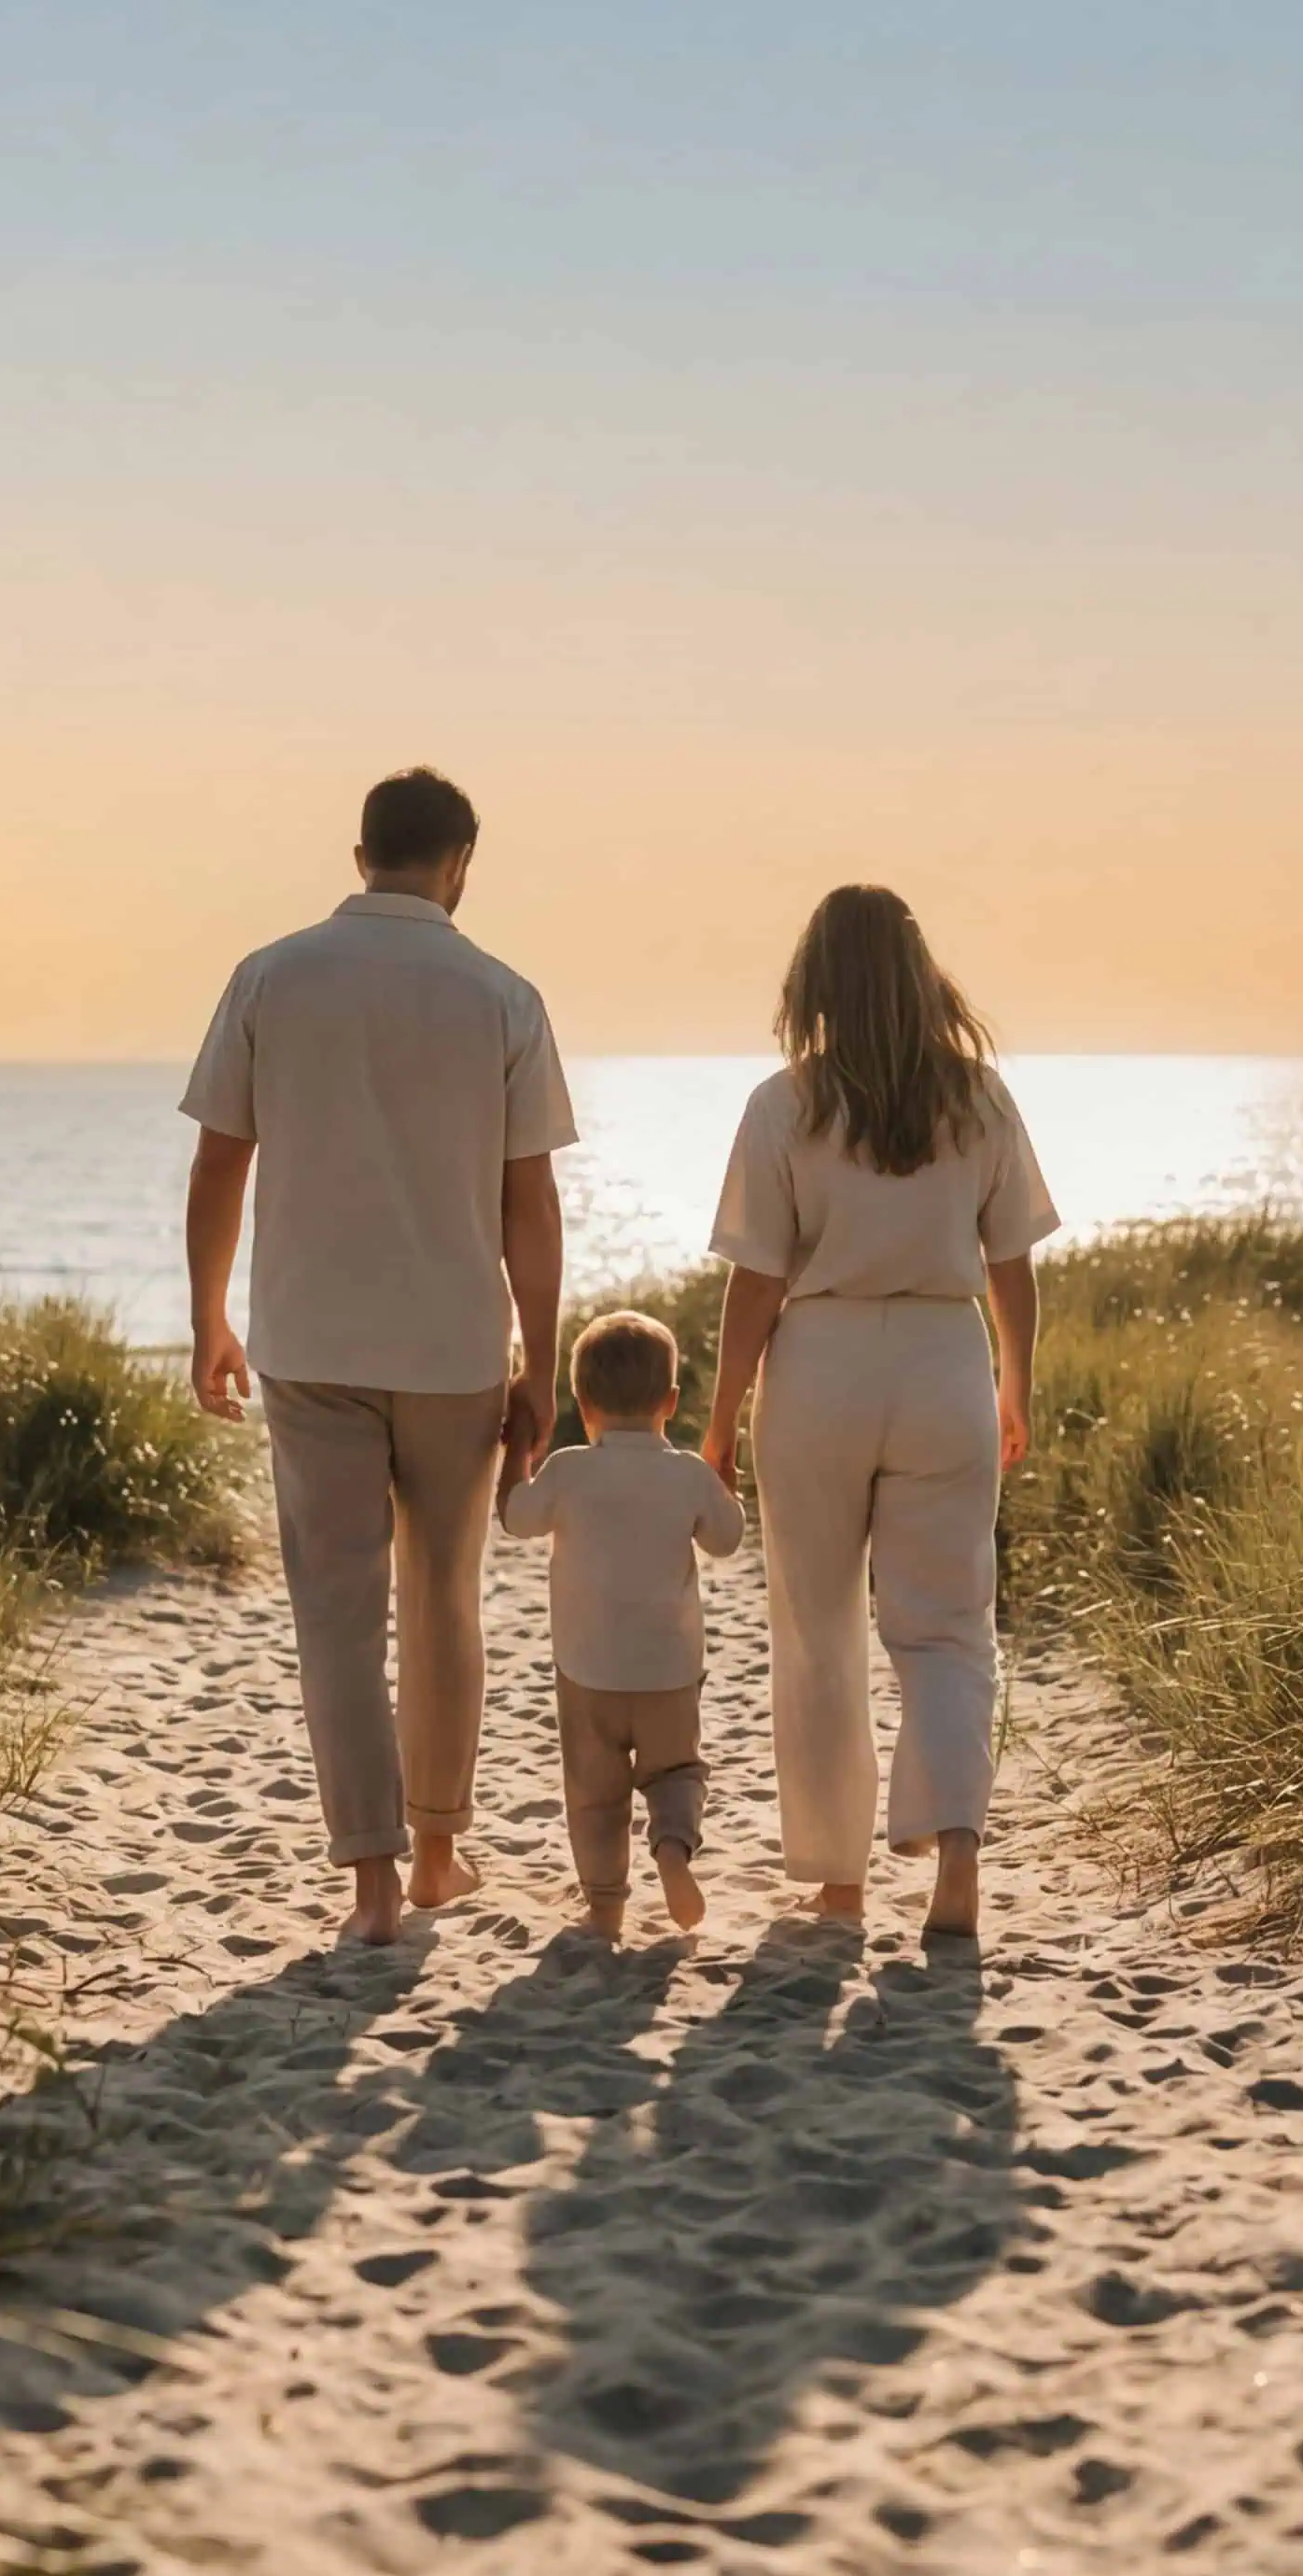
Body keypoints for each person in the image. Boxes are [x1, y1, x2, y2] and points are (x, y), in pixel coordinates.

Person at [180, 768, 577, 1949]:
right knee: (442, 1597)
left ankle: (366, 1881)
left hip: (309, 1341)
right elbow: (531, 1208)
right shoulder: (501, 996)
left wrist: (209, 1320)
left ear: (360, 856)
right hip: (454, 1347)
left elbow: (218, 1168)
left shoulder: (269, 976)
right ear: (460, 862)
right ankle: (439, 1852)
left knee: (336, 1614)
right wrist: (540, 1365)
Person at [696, 884, 1055, 1939]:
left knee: (814, 1627)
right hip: (946, 1356)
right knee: (947, 1627)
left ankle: (839, 1877)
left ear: (813, 981)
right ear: (916, 974)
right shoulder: (978, 1098)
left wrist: (719, 1419)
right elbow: (1012, 1265)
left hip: (819, 1365)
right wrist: (1015, 1383)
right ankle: (953, 1863)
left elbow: (754, 1282)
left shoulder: (782, 1105)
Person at [499, 1310, 747, 1946]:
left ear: (583, 1406)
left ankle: (606, 1907)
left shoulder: (568, 1469)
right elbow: (726, 1540)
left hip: (588, 1672)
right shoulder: (689, 1473)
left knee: (594, 1792)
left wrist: (516, 1458)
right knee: (678, 1773)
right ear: (670, 1402)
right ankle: (671, 1849)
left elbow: (517, 1520)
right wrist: (729, 1485)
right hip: (669, 1672)